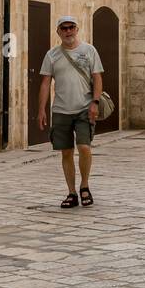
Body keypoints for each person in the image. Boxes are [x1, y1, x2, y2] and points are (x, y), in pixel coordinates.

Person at [37, 14, 103, 208]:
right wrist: (41, 110)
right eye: (64, 28)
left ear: (77, 29)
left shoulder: (89, 51)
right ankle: (72, 193)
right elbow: (45, 83)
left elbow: (97, 77)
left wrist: (95, 102)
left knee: (84, 147)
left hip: (84, 107)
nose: (68, 31)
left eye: (71, 27)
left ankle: (84, 185)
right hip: (61, 110)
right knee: (66, 152)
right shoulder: (52, 55)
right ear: (58, 32)